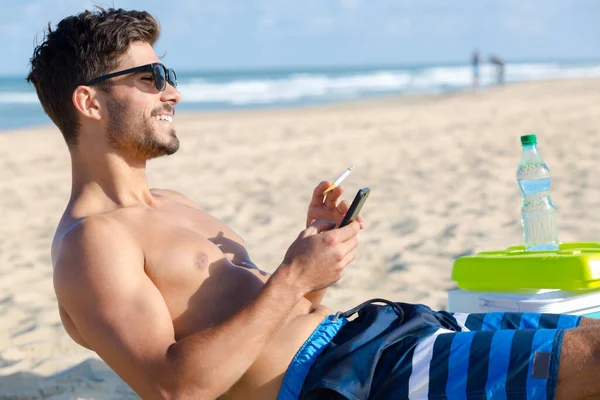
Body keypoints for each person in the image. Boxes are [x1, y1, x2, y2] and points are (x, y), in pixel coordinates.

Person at [27, 8, 600, 400]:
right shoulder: (92, 244)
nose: (172, 91)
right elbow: (178, 388)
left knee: (583, 332)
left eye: (167, 75)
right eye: (150, 77)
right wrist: (292, 275)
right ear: (90, 102)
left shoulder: (172, 203)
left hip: (381, 331)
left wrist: (313, 269)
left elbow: (276, 317)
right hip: (349, 375)